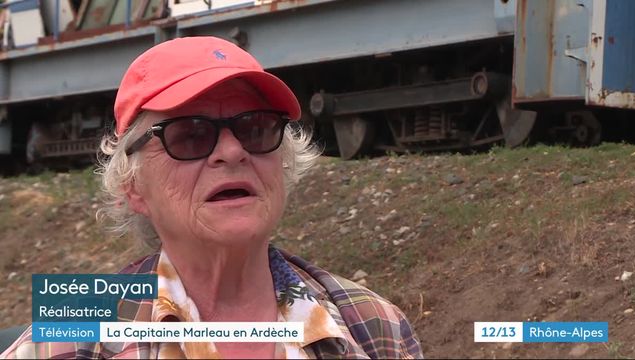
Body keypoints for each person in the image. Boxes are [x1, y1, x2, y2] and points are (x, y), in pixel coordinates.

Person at [1, 36, 422, 359]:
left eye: (256, 128)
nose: (233, 151)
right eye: (190, 135)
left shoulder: (374, 324)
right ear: (133, 187)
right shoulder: (67, 333)